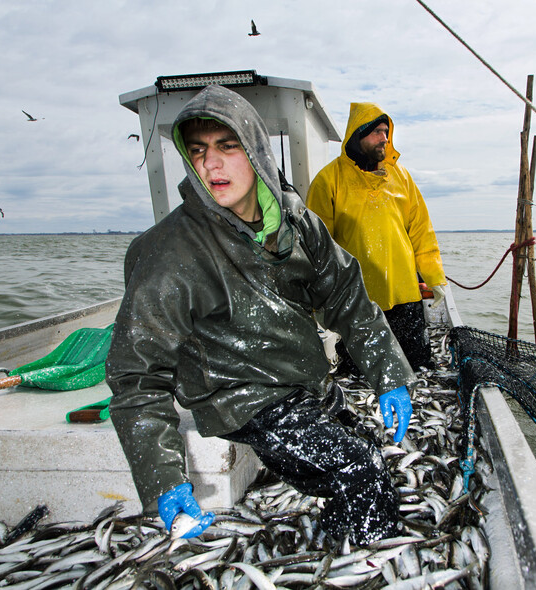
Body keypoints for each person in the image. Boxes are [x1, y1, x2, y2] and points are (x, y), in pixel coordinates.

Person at [105, 85, 416, 546]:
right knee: (359, 468)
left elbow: (346, 294)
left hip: (301, 377)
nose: (211, 165)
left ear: (255, 150)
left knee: (366, 446)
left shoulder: (295, 222)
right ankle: (367, 560)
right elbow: (137, 375)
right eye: (198, 151)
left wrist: (389, 373)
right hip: (240, 395)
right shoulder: (169, 252)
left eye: (227, 147)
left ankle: (336, 541)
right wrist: (164, 478)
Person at [306, 103, 446, 371]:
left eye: (386, 132)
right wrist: (321, 299)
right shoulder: (328, 180)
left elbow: (421, 229)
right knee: (361, 371)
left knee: (416, 364)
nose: (384, 138)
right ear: (357, 135)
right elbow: (318, 245)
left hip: (404, 292)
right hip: (357, 298)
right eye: (377, 132)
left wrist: (434, 276)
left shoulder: (401, 176)